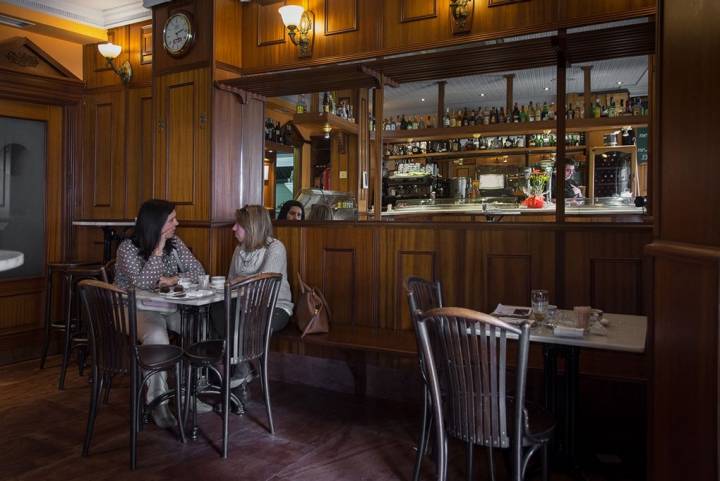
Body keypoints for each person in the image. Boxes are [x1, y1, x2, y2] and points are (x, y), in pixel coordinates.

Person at [115, 199, 206, 429]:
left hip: (167, 307)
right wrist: (157, 249)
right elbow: (143, 284)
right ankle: (157, 401)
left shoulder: (175, 243)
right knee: (157, 337)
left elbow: (198, 270)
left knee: (198, 327)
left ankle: (188, 392)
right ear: (156, 224)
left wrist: (174, 279)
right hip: (134, 309)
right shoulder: (128, 249)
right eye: (171, 219)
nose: (177, 222)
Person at [212, 205, 294, 392]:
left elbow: (264, 284)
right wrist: (240, 282)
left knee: (247, 322)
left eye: (238, 225)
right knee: (216, 311)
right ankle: (238, 366)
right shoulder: (239, 249)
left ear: (252, 226)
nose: (233, 228)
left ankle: (238, 372)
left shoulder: (276, 247)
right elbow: (231, 281)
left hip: (274, 307)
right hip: (244, 306)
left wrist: (241, 281)